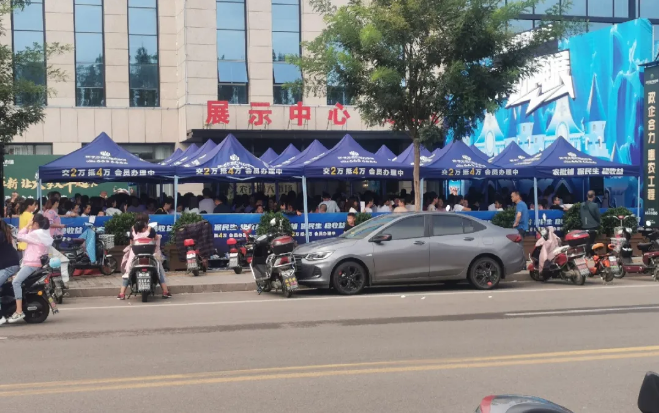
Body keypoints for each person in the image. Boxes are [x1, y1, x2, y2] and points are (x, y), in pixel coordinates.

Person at [6, 214, 53, 323]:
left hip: (31, 264)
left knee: (16, 282)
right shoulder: (43, 234)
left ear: (36, 223)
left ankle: (19, 311)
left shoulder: (37, 234)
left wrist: (27, 225)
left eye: (32, 222)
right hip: (35, 263)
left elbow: (20, 236)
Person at [118, 214, 170, 300]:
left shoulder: (133, 229)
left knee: (128, 271)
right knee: (159, 270)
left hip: (134, 255)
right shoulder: (150, 229)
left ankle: (122, 293)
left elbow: (131, 243)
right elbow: (156, 239)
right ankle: (165, 291)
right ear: (147, 221)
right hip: (151, 254)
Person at [0, 219, 20, 325]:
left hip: (9, 266)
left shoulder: (1, 235)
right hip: (10, 265)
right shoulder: (4, 234)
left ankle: (0, 317)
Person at [580, 190, 601, 256]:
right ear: (594, 196)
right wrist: (599, 223)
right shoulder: (595, 205)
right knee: (591, 242)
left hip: (584, 226)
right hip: (592, 226)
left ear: (587, 196)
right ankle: (588, 255)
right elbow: (597, 216)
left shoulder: (582, 205)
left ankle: (590, 254)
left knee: (587, 241)